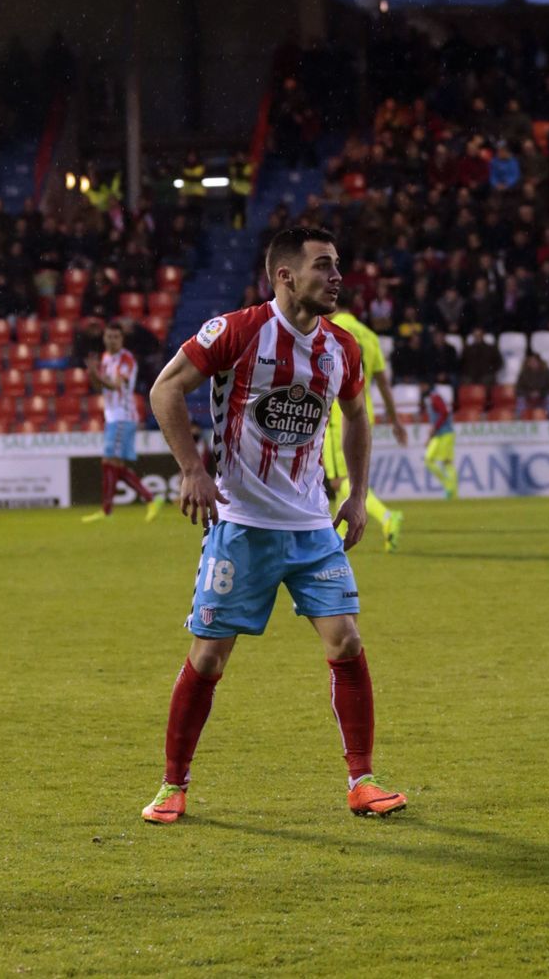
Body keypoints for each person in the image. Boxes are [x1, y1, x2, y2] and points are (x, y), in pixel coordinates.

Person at [140, 225, 406, 825]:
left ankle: (362, 780)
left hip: (313, 529)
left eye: (338, 265)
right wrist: (191, 470)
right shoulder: (237, 331)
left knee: (348, 642)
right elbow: (165, 389)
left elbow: (357, 414)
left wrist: (359, 496)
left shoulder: (342, 346)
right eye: (323, 266)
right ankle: (172, 786)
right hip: (241, 525)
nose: (337, 277)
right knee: (209, 658)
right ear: (284, 276)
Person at [322, 288, 409, 551]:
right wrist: (395, 421)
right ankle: (337, 542)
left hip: (338, 415)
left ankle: (386, 516)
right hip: (362, 412)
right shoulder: (370, 336)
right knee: (346, 482)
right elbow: (383, 383)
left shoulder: (328, 330)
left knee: (340, 481)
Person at [82, 321, 166, 523]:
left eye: (115, 337)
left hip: (123, 416)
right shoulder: (105, 358)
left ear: (122, 339)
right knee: (114, 465)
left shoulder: (126, 360)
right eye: (109, 336)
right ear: (104, 338)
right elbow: (98, 386)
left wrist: (95, 374)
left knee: (109, 462)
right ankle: (149, 499)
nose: (111, 340)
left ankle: (109, 509)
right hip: (112, 416)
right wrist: (92, 374)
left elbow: (115, 386)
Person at [421, 385, 458, 499]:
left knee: (446, 462)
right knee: (431, 460)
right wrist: (429, 437)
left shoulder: (434, 398)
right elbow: (440, 415)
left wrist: (435, 428)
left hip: (445, 434)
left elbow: (444, 412)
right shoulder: (432, 399)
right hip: (440, 434)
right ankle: (450, 488)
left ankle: (452, 491)